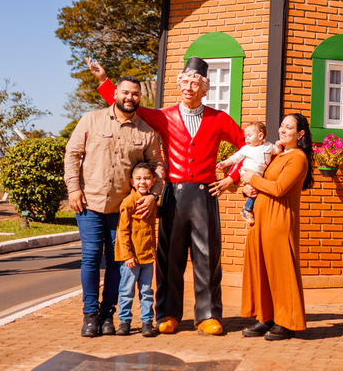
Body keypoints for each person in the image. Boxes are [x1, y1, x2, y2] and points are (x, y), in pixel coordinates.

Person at [92, 56, 245, 336]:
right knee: (169, 257)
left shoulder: (219, 118)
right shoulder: (165, 116)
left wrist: (231, 178)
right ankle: (167, 312)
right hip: (174, 193)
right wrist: (104, 81)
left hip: (204, 194)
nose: (188, 87)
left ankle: (208, 314)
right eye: (184, 82)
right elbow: (132, 105)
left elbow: (246, 146)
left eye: (195, 83)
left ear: (204, 88)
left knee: (207, 256)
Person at [64, 74, 163, 338]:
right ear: (116, 93)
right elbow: (72, 154)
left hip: (123, 209)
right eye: (125, 92)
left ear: (139, 98)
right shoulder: (91, 119)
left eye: (135, 94)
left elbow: (158, 167)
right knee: (90, 257)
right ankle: (90, 315)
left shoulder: (146, 132)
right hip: (89, 202)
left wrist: (153, 195)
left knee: (117, 261)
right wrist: (73, 188)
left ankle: (108, 314)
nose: (130, 97)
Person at [239, 113, 313, 341]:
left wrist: (251, 179)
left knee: (281, 272)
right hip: (261, 219)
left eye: (289, 127)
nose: (283, 130)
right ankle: (267, 317)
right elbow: (261, 179)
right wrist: (246, 189)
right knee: (262, 270)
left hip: (279, 220)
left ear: (300, 134)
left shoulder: (298, 158)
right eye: (282, 125)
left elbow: (279, 188)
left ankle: (287, 322)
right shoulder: (277, 154)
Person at [115, 161, 159, 337]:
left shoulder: (152, 202)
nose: (143, 182)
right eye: (139, 178)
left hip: (147, 256)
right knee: (126, 291)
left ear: (153, 181)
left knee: (147, 291)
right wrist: (128, 255)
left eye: (147, 178)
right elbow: (123, 231)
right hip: (131, 259)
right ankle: (124, 321)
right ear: (132, 182)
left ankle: (147, 322)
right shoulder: (128, 202)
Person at [217, 121, 280, 224]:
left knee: (256, 190)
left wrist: (279, 145)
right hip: (246, 173)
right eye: (245, 136)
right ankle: (247, 210)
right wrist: (224, 163)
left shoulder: (268, 146)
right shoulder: (246, 149)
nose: (246, 138)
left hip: (258, 175)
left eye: (249, 136)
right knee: (253, 189)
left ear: (260, 136)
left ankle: (250, 209)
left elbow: (277, 151)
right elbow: (235, 157)